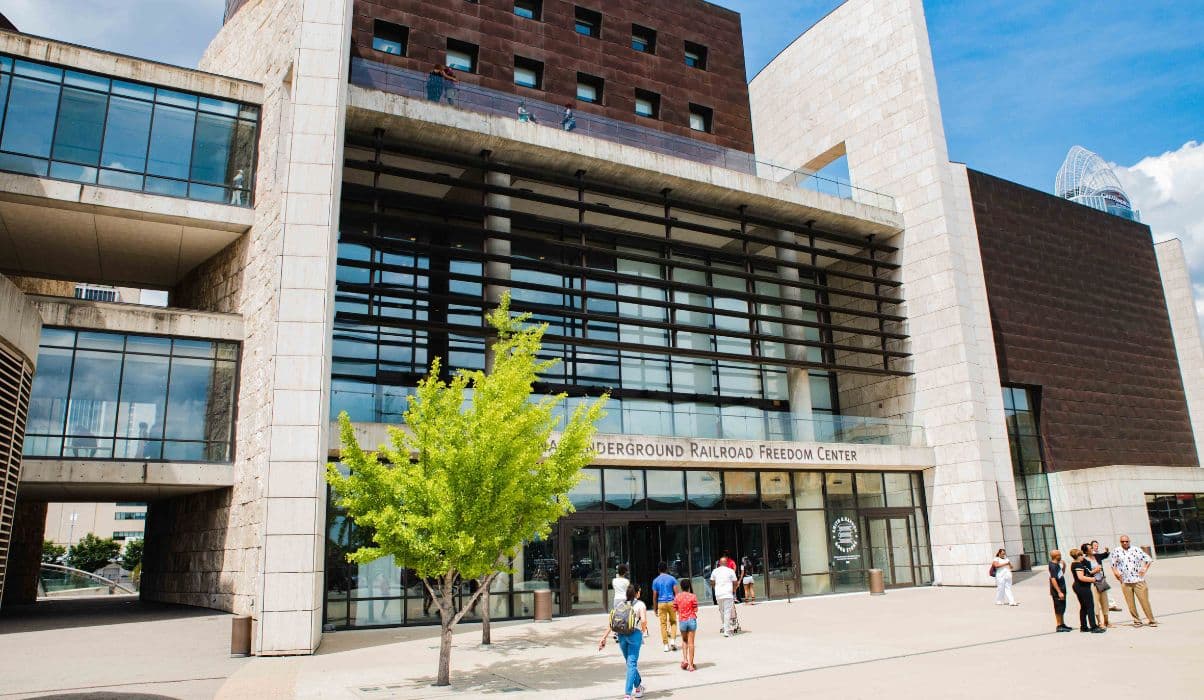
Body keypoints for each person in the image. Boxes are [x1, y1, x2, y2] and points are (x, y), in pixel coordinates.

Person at [598, 585, 647, 700]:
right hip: (634, 635)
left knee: (630, 663)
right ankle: (628, 694)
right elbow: (644, 620)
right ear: (637, 593)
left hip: (621, 636)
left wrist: (603, 638)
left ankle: (639, 687)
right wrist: (643, 630)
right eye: (639, 591)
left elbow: (612, 623)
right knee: (632, 664)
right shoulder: (640, 604)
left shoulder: (620, 605)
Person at [1110, 534, 1157, 627]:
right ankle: (1137, 620)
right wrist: (1116, 573)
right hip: (1125, 581)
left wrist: (1144, 569)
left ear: (1129, 541)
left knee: (1144, 601)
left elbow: (1148, 559)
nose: (1125, 543)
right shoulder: (1116, 551)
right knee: (1130, 603)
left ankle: (1151, 620)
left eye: (1126, 541)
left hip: (1138, 580)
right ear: (1120, 542)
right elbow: (1113, 564)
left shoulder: (1136, 550)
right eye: (1122, 541)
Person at [1070, 547, 1105, 633]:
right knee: (1090, 606)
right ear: (1078, 556)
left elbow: (1088, 572)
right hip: (1082, 587)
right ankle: (1093, 626)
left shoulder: (1076, 564)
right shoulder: (1077, 564)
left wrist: (1094, 571)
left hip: (1080, 587)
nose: (1082, 557)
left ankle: (1084, 626)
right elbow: (1081, 577)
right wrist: (1093, 580)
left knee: (1084, 607)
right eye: (1081, 555)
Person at [651, 562, 679, 652]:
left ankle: (666, 645)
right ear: (667, 569)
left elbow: (655, 595)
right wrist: (678, 605)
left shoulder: (655, 581)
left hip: (661, 603)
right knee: (673, 622)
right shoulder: (672, 579)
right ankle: (673, 640)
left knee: (663, 624)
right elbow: (676, 593)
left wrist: (655, 608)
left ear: (658, 570)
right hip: (671, 602)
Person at [709, 556, 738, 637]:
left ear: (719, 563)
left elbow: (711, 581)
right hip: (728, 593)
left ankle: (724, 626)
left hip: (718, 593)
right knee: (727, 612)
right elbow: (735, 582)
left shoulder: (715, 571)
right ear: (726, 563)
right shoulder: (730, 571)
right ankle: (727, 631)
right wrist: (734, 590)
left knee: (722, 611)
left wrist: (715, 588)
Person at [675, 577, 699, 672]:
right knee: (691, 643)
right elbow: (696, 609)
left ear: (681, 587)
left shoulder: (677, 597)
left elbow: (675, 608)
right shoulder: (693, 596)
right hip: (691, 620)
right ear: (689, 586)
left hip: (682, 621)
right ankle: (691, 665)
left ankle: (685, 660)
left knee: (684, 641)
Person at [1088, 540, 1113, 628]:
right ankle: (1099, 622)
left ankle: (1106, 621)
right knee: (1095, 603)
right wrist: (1095, 570)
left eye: (1095, 546)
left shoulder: (1097, 556)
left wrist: (1107, 551)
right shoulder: (1085, 560)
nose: (1094, 548)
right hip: (1093, 583)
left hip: (1101, 580)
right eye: (1092, 547)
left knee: (1105, 601)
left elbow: (1105, 555)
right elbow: (1086, 573)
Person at [1047, 550, 1072, 632]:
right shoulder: (1053, 566)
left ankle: (1062, 623)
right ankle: (1059, 625)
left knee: (1062, 607)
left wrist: (1064, 566)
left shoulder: (1057, 565)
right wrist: (1059, 592)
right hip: (1057, 591)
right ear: (1056, 556)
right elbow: (1053, 579)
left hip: (1062, 589)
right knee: (1058, 608)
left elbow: (1060, 574)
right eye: (1059, 555)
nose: (1060, 556)